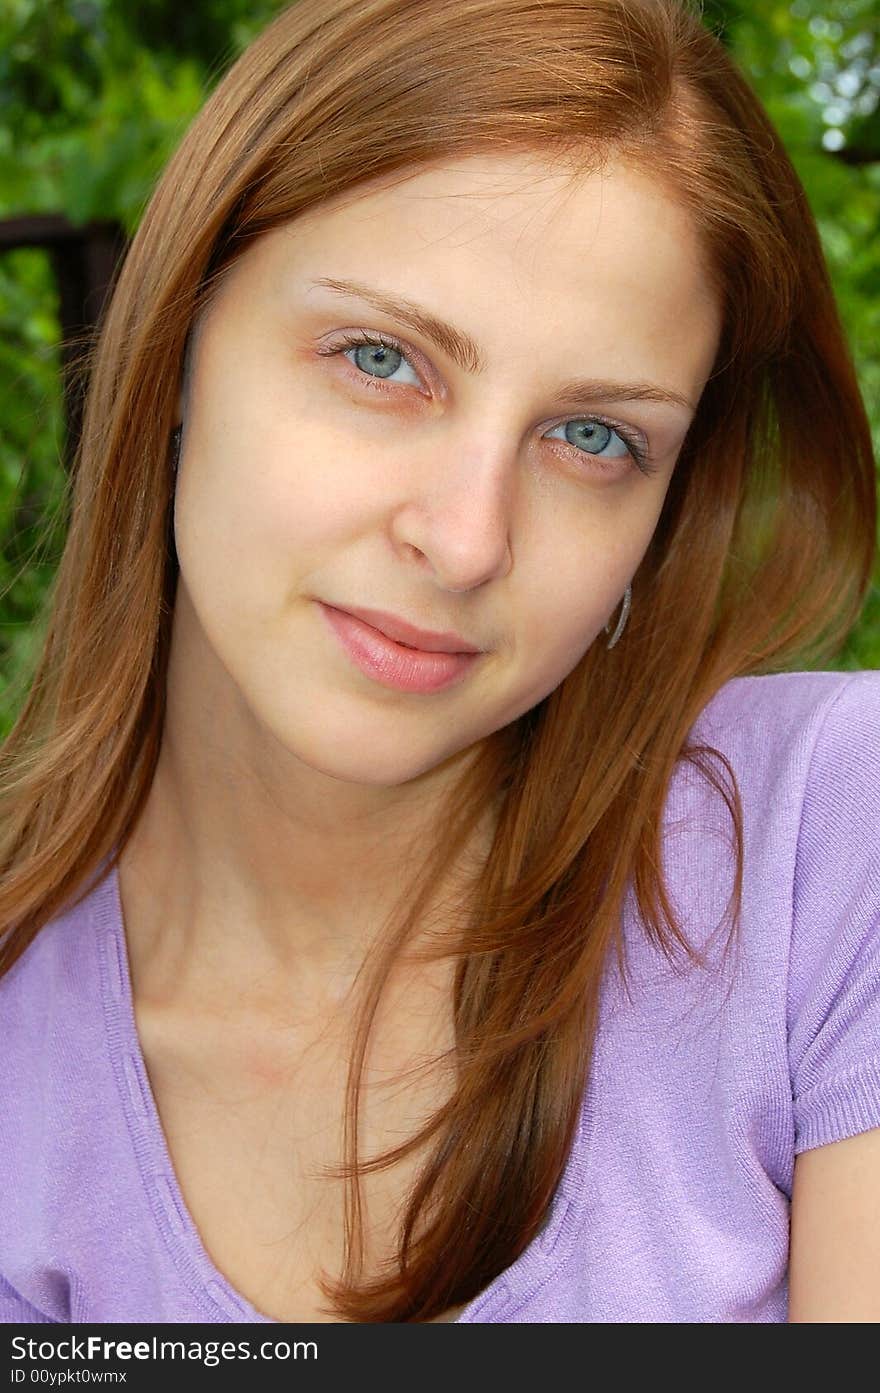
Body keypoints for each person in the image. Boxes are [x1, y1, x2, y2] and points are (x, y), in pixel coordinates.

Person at [0, 0, 878, 1326]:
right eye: (381, 360)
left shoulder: (823, 844)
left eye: (592, 436)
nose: (466, 539)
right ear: (177, 341)